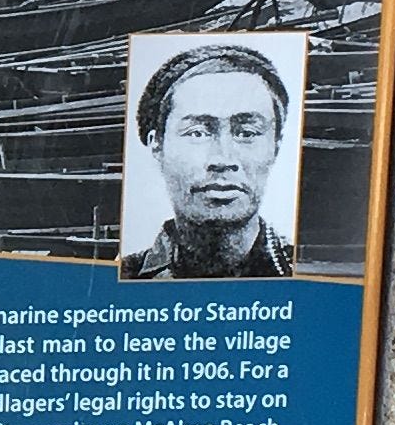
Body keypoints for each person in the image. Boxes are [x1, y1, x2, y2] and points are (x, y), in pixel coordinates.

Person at [122, 42, 294, 279]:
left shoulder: (305, 273)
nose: (223, 159)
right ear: (157, 145)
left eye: (247, 133)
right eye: (197, 133)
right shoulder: (124, 276)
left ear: (275, 146)